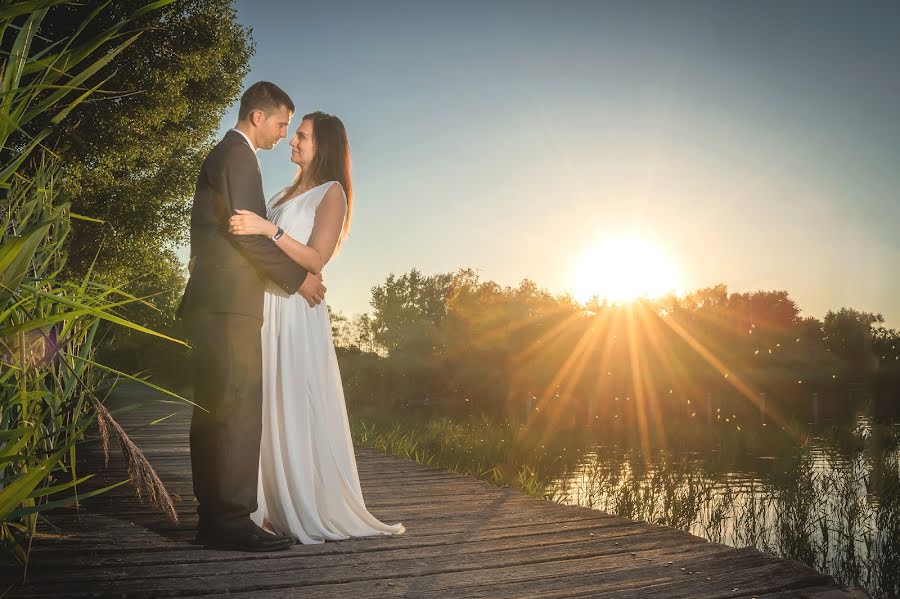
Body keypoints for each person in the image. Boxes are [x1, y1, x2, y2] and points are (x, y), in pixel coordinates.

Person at [227, 111, 405, 543]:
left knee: (292, 399)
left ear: (321, 144)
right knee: (265, 404)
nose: (292, 141)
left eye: (301, 136)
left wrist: (269, 230)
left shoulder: (332, 193)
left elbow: (315, 259)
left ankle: (299, 504)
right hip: (268, 306)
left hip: (294, 311)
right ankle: (264, 506)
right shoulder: (286, 192)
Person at [178, 82, 326, 552]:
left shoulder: (225, 155)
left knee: (214, 411)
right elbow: (249, 235)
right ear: (258, 117)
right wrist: (299, 280)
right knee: (236, 411)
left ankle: (214, 519)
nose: (284, 135)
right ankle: (231, 520)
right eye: (283, 124)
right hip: (228, 305)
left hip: (213, 302)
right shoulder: (238, 156)